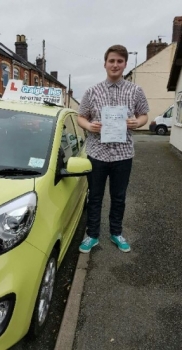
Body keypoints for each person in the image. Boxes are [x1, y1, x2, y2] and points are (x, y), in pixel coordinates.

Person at [78, 44, 149, 254]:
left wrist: (138, 122)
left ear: (125, 64)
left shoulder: (135, 91)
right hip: (97, 154)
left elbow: (144, 114)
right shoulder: (92, 92)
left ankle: (116, 232)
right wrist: (89, 126)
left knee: (119, 197)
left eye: (119, 61)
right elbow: (81, 116)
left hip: (123, 155)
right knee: (95, 196)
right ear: (105, 64)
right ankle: (92, 235)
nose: (115, 65)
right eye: (112, 61)